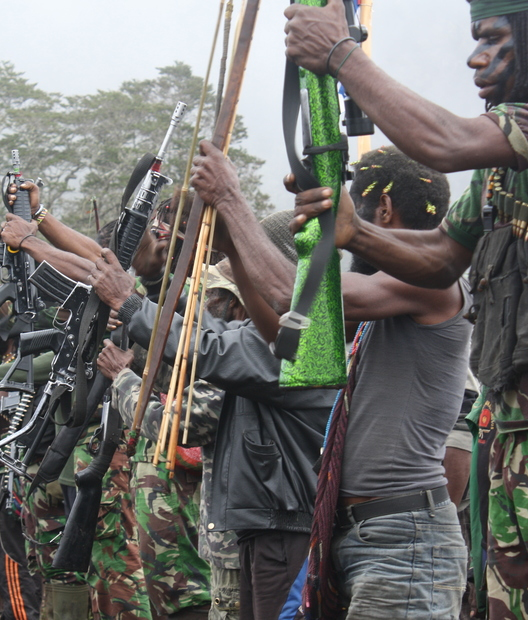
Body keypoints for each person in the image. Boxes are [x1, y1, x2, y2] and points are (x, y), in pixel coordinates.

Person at [283, 1, 528, 617]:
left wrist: (340, 55)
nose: (475, 59)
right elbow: (440, 257)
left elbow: (446, 142)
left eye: (493, 40)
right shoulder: (503, 167)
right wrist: (355, 233)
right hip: (514, 431)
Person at [191, 146, 471, 618]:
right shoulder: (381, 300)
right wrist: (234, 249)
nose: (334, 229)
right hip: (360, 531)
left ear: (384, 209)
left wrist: (231, 200)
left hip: (401, 536)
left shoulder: (431, 282)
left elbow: (293, 296)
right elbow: (290, 340)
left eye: (350, 206)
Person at [87, 213, 334, 620]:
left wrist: (129, 320)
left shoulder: (299, 339)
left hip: (282, 527)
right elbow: (205, 336)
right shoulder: (265, 336)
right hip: (261, 526)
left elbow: (200, 360)